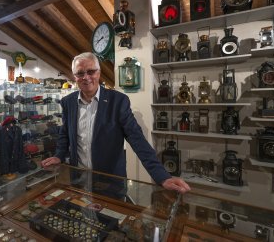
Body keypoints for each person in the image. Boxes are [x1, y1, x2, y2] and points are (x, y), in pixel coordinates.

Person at [41, 52, 190, 194]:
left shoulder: (118, 101)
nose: (86, 77)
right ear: (75, 76)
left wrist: (162, 176)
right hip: (78, 178)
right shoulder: (68, 102)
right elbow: (65, 133)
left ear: (99, 73)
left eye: (91, 71)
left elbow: (136, 138)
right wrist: (59, 155)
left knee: (108, 219)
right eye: (80, 73)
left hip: (109, 181)